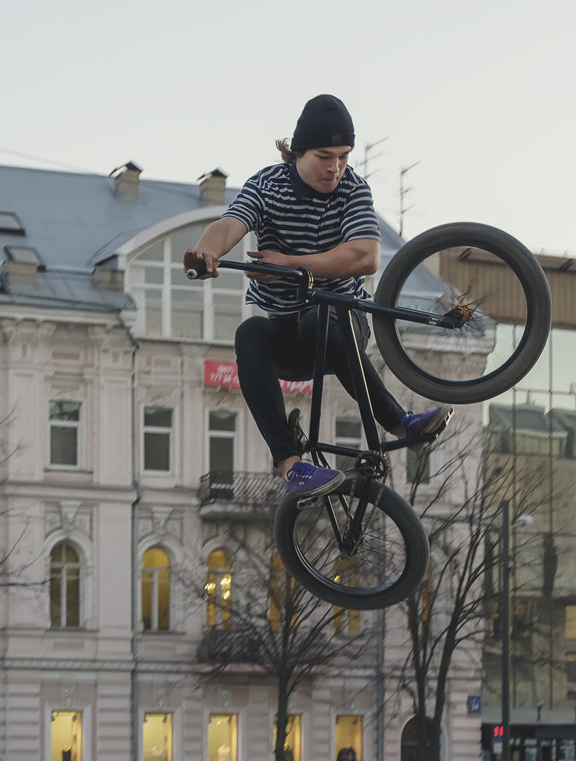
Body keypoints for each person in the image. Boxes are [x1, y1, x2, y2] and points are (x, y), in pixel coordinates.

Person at [188, 94, 452, 498]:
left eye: (344, 156)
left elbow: (365, 257)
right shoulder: (267, 185)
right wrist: (208, 250)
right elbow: (230, 224)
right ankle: (292, 466)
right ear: (298, 152)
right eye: (325, 156)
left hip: (342, 327)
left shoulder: (353, 190)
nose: (335, 167)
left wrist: (291, 264)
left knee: (319, 318)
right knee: (250, 335)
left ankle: (401, 423)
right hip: (288, 338)